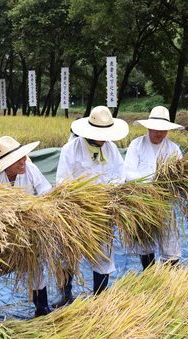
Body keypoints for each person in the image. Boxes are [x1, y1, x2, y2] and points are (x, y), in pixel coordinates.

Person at [54, 105, 128, 306]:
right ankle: (65, 293)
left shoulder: (111, 149)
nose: (103, 138)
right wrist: (83, 199)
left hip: (103, 211)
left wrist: (106, 196)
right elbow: (63, 181)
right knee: (69, 253)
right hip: (77, 211)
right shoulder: (71, 149)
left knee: (102, 253)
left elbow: (120, 175)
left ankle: (100, 296)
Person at [0, 136, 52, 322]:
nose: (24, 161)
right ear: (6, 163)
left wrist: (35, 214)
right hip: (0, 237)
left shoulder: (31, 170)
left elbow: (46, 194)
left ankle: (42, 310)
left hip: (28, 234)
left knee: (36, 268)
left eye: (24, 157)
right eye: (19, 159)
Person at [123, 106, 184, 269]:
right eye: (157, 129)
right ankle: (149, 276)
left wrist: (169, 186)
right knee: (144, 243)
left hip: (166, 204)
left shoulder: (173, 149)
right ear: (149, 127)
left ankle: (170, 281)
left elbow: (180, 177)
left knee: (170, 244)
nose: (160, 133)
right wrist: (152, 182)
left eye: (164, 130)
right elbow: (128, 173)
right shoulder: (137, 145)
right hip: (143, 202)